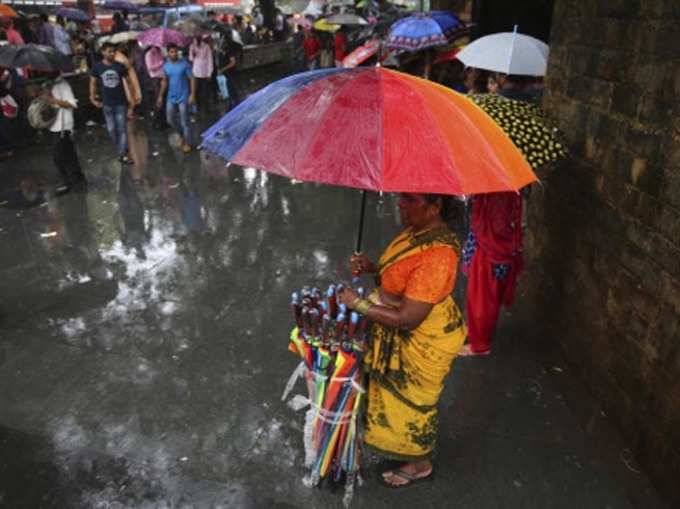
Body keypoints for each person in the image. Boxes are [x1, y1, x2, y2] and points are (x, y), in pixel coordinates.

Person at [337, 193, 466, 487]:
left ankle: (419, 462)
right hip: (394, 324)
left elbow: (409, 319)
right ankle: (395, 443)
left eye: (411, 200)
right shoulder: (417, 232)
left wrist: (358, 304)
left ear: (436, 207)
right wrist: (372, 268)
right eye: (402, 198)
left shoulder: (439, 255)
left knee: (412, 400)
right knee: (388, 392)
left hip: (421, 339)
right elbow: (401, 275)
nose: (401, 205)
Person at [459, 192, 523, 356]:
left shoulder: (498, 195)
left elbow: (496, 224)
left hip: (489, 249)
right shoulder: (505, 190)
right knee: (484, 295)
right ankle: (477, 334)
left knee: (482, 298)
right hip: (494, 248)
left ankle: (480, 345)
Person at [90, 41, 134, 164]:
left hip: (121, 103)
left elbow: (129, 83)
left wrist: (132, 101)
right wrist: (92, 98)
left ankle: (123, 154)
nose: (112, 54)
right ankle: (123, 151)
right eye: (109, 51)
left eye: (113, 51)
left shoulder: (120, 66)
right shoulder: (97, 67)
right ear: (103, 52)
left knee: (122, 130)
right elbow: (93, 83)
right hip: (107, 104)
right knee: (111, 130)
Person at [42, 72, 86, 190]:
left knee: (58, 154)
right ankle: (77, 179)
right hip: (54, 125)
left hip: (63, 124)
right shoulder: (49, 85)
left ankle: (69, 180)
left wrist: (52, 100)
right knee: (68, 152)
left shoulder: (63, 85)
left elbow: (72, 103)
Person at [158, 43, 195, 153]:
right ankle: (181, 134)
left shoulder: (185, 64)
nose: (174, 54)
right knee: (170, 120)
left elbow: (192, 79)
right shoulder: (166, 66)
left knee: (185, 121)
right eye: (171, 52)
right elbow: (164, 81)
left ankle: (187, 143)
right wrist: (160, 96)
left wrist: (192, 94)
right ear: (168, 53)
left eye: (175, 52)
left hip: (183, 96)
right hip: (171, 97)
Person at [188, 35, 214, 112]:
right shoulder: (192, 46)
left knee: (204, 92)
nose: (198, 38)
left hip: (204, 73)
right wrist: (192, 53)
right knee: (195, 91)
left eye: (199, 37)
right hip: (195, 72)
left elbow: (210, 60)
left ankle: (205, 108)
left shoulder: (206, 46)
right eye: (196, 37)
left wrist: (209, 73)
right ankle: (197, 108)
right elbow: (191, 59)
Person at [144, 45, 167, 128]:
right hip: (155, 78)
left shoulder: (160, 51)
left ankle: (163, 121)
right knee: (158, 100)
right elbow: (150, 68)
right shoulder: (149, 54)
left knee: (163, 99)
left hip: (163, 77)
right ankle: (156, 122)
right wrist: (161, 63)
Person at [216, 39, 240, 109]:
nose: (221, 42)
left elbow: (233, 62)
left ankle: (235, 104)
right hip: (225, 74)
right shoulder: (221, 50)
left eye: (223, 41)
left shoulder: (230, 50)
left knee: (232, 89)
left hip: (231, 73)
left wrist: (223, 69)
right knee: (229, 89)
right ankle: (232, 104)